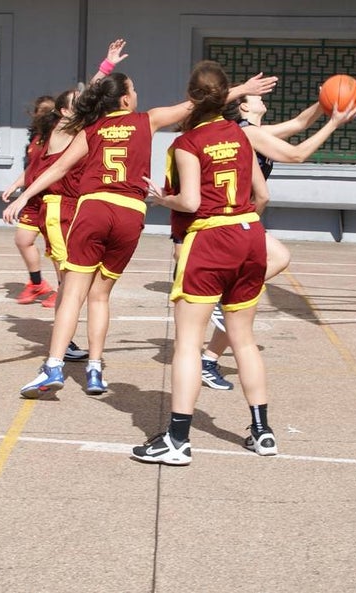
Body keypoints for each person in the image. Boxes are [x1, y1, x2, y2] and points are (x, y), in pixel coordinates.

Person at [1, 39, 275, 399]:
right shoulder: (148, 120)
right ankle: (95, 369)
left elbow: (58, 168)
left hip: (94, 209)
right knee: (100, 296)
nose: (137, 94)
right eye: (133, 90)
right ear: (125, 101)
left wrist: (24, 195)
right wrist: (241, 88)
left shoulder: (92, 129)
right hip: (130, 214)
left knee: (73, 294)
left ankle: (53, 366)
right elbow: (196, 103)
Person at [132, 60, 272, 465]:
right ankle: (262, 432)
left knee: (188, 344)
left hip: (210, 238)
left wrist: (163, 200)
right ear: (226, 96)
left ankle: (177, 439)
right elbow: (263, 195)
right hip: (250, 233)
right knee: (243, 340)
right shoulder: (242, 135)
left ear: (191, 98)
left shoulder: (188, 143)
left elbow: (191, 201)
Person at [196, 92, 356, 390]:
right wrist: (333, 124)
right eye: (255, 96)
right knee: (279, 258)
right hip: (232, 219)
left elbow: (299, 123)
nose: (262, 97)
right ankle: (222, 298)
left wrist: (325, 101)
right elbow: (297, 155)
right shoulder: (248, 134)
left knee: (242, 301)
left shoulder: (254, 132)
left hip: (237, 216)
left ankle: (208, 360)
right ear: (243, 106)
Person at [1, 89, 88, 361]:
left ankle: (63, 339)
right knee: (68, 284)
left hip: (66, 206)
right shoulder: (58, 133)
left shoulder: (74, 132)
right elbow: (41, 169)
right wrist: (22, 193)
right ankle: (63, 344)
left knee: (70, 284)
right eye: (77, 102)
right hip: (57, 207)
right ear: (64, 112)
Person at [6, 94, 59, 306]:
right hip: (33, 199)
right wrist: (15, 185)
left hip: (52, 198)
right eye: (41, 111)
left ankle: (63, 289)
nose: (44, 115)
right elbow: (32, 169)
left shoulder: (60, 138)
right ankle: (37, 283)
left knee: (55, 248)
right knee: (22, 240)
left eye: (49, 111)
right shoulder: (36, 139)